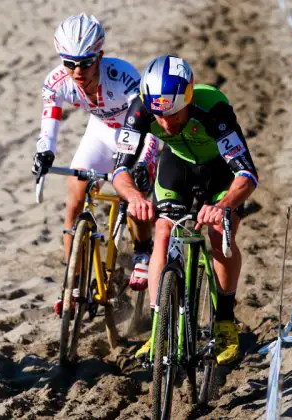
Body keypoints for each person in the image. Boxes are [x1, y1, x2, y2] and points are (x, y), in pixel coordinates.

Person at [112, 55, 258, 365]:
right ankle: (159, 329)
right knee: (162, 230)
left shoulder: (213, 108)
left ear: (189, 98)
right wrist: (135, 196)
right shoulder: (141, 108)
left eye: (174, 114)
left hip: (221, 174)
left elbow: (247, 175)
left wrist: (223, 205)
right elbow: (119, 170)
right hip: (177, 167)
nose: (165, 123)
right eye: (158, 116)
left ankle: (224, 322)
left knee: (220, 236)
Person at [31, 13, 156, 315]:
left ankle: (142, 252)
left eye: (85, 63)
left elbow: (148, 124)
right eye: (68, 62)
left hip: (135, 135)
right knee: (73, 198)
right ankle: (72, 284)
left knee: (135, 195)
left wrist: (144, 160)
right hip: (100, 134)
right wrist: (44, 152)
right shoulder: (57, 81)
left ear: (99, 56)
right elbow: (49, 123)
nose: (76, 71)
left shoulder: (123, 76)